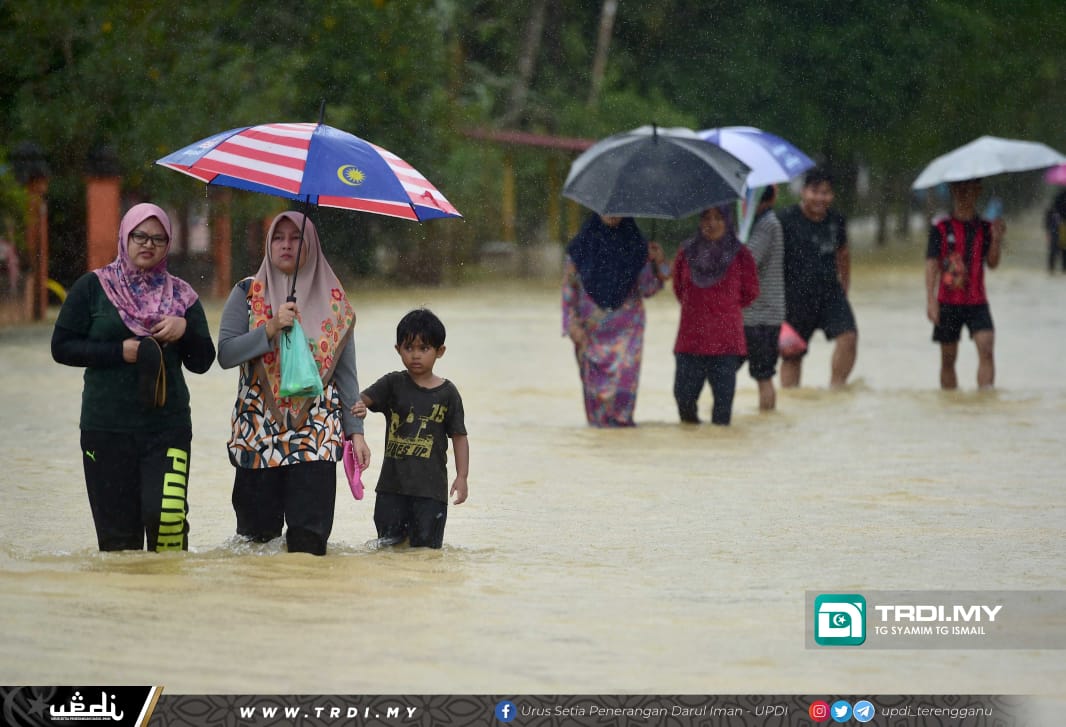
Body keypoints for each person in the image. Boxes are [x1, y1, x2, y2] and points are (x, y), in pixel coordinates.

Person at [51, 202, 214, 552]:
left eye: (158, 238)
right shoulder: (92, 287)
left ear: (168, 245)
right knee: (118, 545)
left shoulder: (182, 297)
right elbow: (61, 347)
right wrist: (118, 352)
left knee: (167, 524)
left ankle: (169, 606)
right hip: (105, 430)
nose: (148, 244)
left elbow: (203, 362)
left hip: (167, 430)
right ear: (124, 237)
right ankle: (128, 607)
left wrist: (185, 330)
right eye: (140, 235)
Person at [217, 211, 370, 555]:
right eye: (277, 237)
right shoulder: (245, 293)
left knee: (309, 545)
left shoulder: (335, 304)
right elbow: (226, 354)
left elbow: (346, 376)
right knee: (256, 545)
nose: (286, 244)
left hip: (316, 434)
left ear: (311, 245)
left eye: (295, 237)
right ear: (268, 244)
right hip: (257, 435)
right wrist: (269, 329)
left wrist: (355, 431)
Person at [353, 308, 468, 549]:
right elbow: (359, 400)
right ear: (398, 349)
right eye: (408, 348)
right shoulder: (392, 384)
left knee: (425, 553)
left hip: (431, 494)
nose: (415, 355)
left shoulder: (448, 394)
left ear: (440, 351)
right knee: (388, 549)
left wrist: (462, 476)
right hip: (390, 490)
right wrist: (360, 407)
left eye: (424, 349)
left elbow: (459, 437)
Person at [562, 213, 668, 427]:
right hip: (589, 333)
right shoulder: (581, 247)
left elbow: (648, 288)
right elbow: (568, 289)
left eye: (618, 208)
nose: (612, 213)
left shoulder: (637, 245)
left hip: (627, 334)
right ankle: (599, 453)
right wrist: (571, 324)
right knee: (596, 409)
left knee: (623, 396)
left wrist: (658, 263)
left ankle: (623, 446)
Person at [671, 204, 759, 425]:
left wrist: (723, 309)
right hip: (691, 340)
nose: (711, 223)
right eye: (706, 217)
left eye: (718, 218)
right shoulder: (686, 251)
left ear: (728, 221)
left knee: (722, 411)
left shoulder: (740, 254)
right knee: (684, 400)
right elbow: (678, 288)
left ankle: (718, 456)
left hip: (726, 343)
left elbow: (751, 292)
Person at [778, 167, 858, 388]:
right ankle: (792, 400)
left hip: (831, 293)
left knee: (849, 337)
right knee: (792, 355)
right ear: (803, 192)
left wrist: (845, 284)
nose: (820, 198)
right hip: (794, 297)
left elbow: (843, 252)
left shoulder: (836, 220)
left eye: (826, 193)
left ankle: (836, 388)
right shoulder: (784, 220)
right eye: (815, 191)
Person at [925, 178, 1004, 390]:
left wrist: (996, 240)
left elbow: (993, 263)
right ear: (952, 190)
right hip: (948, 302)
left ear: (978, 191)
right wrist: (931, 300)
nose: (964, 193)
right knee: (948, 359)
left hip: (977, 301)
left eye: (969, 188)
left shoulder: (986, 228)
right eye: (959, 188)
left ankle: (985, 398)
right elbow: (932, 264)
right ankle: (951, 404)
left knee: (986, 348)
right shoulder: (941, 227)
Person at [740, 185, 786, 410]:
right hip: (757, 315)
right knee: (725, 372)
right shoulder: (761, 222)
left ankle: (766, 418)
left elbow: (747, 262)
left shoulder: (766, 224)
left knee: (763, 376)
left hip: (761, 316)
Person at [1044, 189, 1066, 274]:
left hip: (1056, 228)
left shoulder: (1058, 197)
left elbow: (1048, 221)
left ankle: (1052, 268)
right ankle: (1061, 268)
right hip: (1058, 227)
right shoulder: (1060, 197)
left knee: (1055, 249)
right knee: (1062, 249)